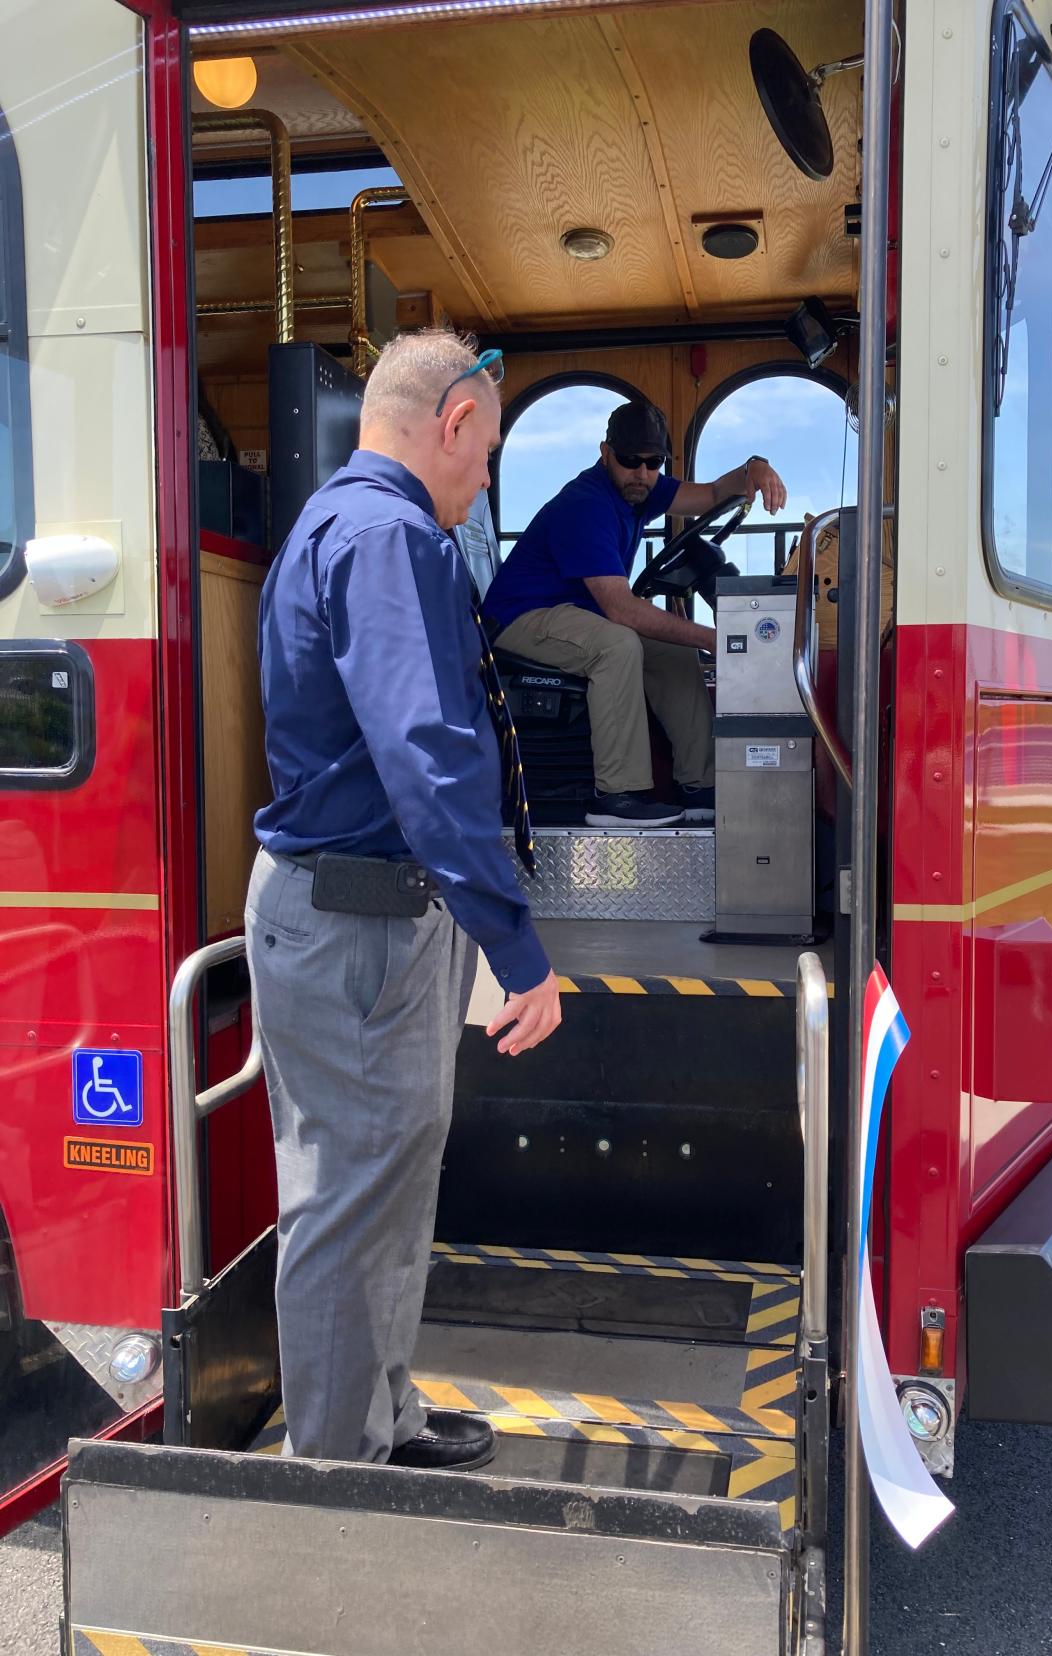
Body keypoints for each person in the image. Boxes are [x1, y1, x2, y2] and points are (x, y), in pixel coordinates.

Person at [245, 329, 561, 1473]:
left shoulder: (343, 526)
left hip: (363, 913)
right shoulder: (390, 539)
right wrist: (517, 950)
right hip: (357, 925)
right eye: (486, 457)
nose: (484, 484)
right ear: (457, 421)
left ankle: (379, 1421)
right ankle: (336, 1482)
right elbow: (426, 756)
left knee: (382, 1184)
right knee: (350, 1202)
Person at [482, 400, 788, 826]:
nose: (642, 473)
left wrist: (755, 467)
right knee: (617, 645)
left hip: (574, 613)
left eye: (653, 462)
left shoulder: (641, 491)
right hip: (519, 619)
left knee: (670, 647)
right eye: (630, 461)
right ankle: (618, 796)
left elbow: (715, 494)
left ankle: (700, 787)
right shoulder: (586, 504)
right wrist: (712, 639)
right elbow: (621, 609)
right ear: (606, 452)